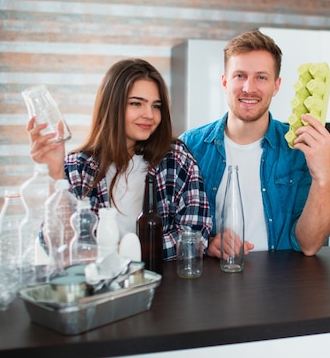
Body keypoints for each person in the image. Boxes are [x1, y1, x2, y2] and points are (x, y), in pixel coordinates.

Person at [27, 58, 212, 260]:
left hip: (161, 285)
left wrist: (117, 254)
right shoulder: (78, 166)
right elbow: (58, 244)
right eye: (136, 103)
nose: (150, 115)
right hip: (101, 288)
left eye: (156, 106)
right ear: (111, 105)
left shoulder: (176, 160)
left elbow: (196, 236)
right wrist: (54, 173)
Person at [180, 29, 330, 257]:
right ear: (224, 81)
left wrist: (322, 178)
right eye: (239, 75)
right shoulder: (190, 147)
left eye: (261, 77)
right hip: (213, 284)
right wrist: (206, 242)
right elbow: (172, 225)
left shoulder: (299, 148)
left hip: (281, 285)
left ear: (276, 85)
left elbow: (309, 245)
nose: (249, 88)